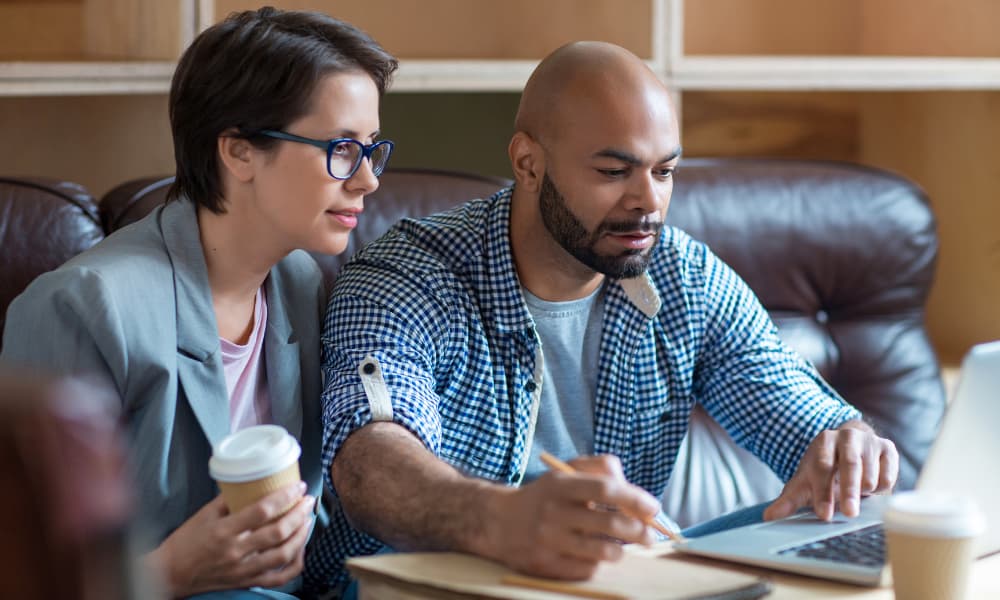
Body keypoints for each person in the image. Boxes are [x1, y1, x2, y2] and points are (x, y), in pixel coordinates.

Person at [314, 41, 898, 590]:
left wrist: (844, 443)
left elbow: (791, 404)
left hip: (621, 579)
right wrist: (503, 521)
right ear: (528, 163)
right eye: (614, 172)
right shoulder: (411, 275)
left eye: (664, 171)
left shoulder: (684, 277)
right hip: (435, 583)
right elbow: (369, 460)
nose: (648, 201)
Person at [1, 7, 397, 599]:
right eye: (341, 148)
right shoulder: (81, 307)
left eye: (371, 148)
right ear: (238, 152)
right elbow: (28, 574)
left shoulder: (300, 282)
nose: (366, 180)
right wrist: (174, 570)